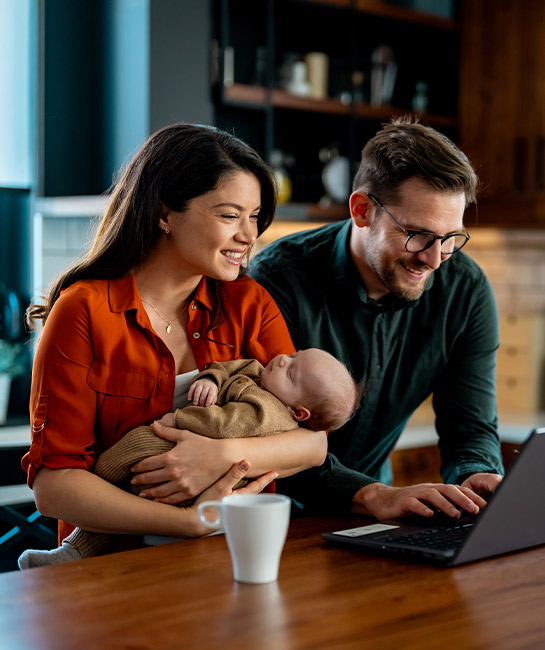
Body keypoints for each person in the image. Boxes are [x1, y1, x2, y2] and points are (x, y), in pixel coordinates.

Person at [20, 123, 328, 563]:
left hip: (236, 559)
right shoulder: (84, 311)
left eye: (255, 216)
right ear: (165, 212)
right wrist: (188, 522)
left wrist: (219, 455)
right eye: (229, 215)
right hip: (113, 574)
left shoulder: (250, 304)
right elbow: (54, 488)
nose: (248, 235)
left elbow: (313, 443)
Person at [249, 117, 505, 522]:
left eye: (450, 238)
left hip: (379, 515)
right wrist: (370, 494)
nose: (435, 260)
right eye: (417, 234)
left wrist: (477, 475)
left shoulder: (465, 290)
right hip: (273, 519)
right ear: (362, 209)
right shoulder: (276, 281)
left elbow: (470, 425)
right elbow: (258, 433)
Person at [19, 349, 360, 567]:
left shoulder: (268, 413)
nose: (283, 359)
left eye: (292, 373)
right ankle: (72, 552)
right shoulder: (262, 373)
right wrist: (211, 379)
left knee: (122, 467)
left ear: (297, 412)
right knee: (122, 495)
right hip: (183, 470)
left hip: (191, 467)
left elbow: (223, 425)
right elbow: (227, 367)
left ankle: (79, 537)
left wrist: (179, 419)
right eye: (294, 354)